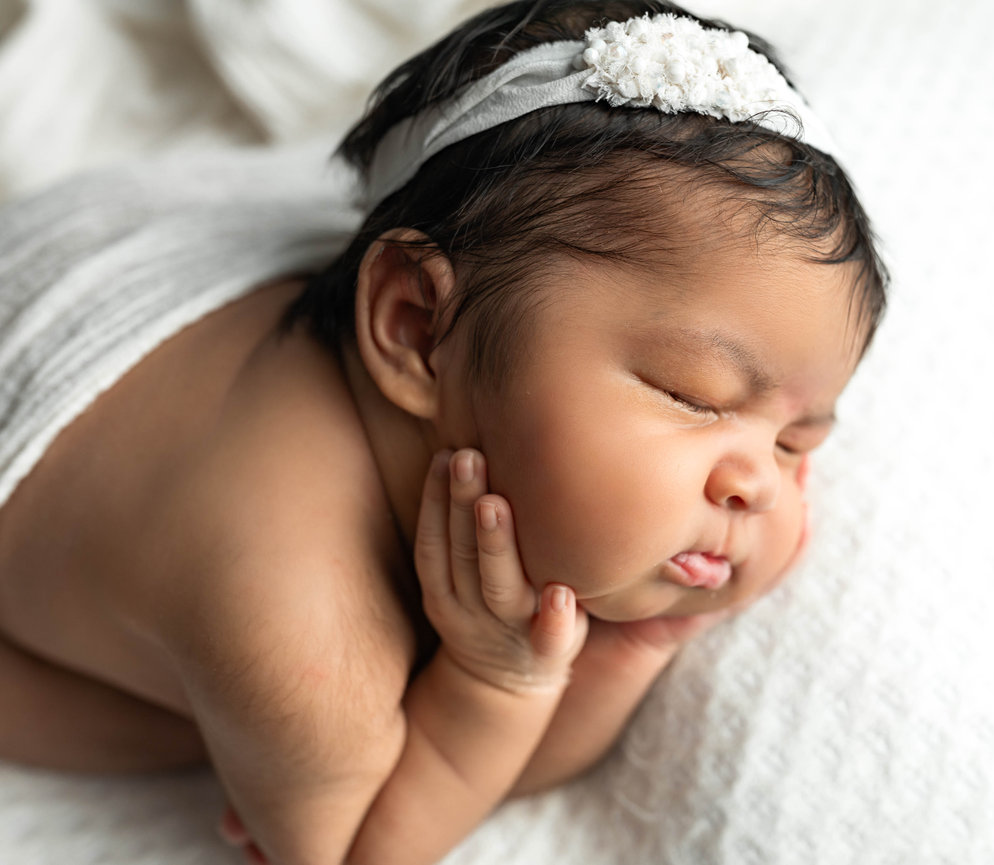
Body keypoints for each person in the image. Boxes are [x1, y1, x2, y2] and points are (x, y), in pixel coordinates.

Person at [0, 1, 887, 862]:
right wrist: (500, 682)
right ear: (417, 329)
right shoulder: (295, 633)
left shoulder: (479, 378)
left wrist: (639, 637)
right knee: (135, 722)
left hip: (156, 304)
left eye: (795, 441)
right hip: (67, 353)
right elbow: (352, 848)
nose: (757, 482)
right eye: (693, 393)